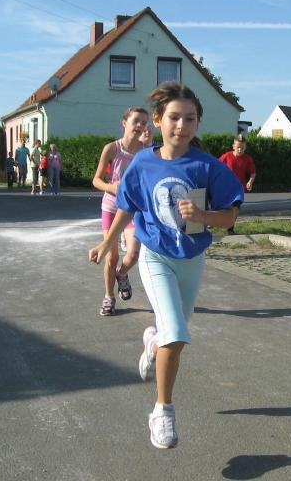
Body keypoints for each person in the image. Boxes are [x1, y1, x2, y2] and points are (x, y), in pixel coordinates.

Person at [88, 83, 243, 450]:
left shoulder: (206, 166)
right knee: (176, 334)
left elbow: (230, 216)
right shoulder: (144, 163)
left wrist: (203, 215)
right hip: (155, 256)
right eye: (174, 117)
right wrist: (107, 242)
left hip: (192, 258)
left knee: (173, 336)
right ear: (157, 120)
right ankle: (162, 411)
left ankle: (152, 340)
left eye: (190, 119)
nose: (182, 126)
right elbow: (128, 206)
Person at [92, 107, 149, 316]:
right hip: (111, 206)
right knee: (111, 256)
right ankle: (109, 297)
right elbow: (96, 180)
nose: (140, 125)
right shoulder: (112, 148)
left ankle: (122, 273)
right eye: (136, 121)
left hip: (132, 208)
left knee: (133, 253)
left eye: (144, 122)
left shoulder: (146, 151)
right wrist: (111, 187)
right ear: (124, 123)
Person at [219, 134, 256, 234]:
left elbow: (253, 173)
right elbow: (217, 167)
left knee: (235, 208)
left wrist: (250, 182)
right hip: (226, 187)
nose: (240, 150)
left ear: (245, 147)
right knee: (226, 207)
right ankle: (218, 222)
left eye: (242, 148)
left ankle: (230, 228)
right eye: (238, 147)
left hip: (239, 188)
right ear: (233, 146)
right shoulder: (226, 156)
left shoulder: (247, 159)